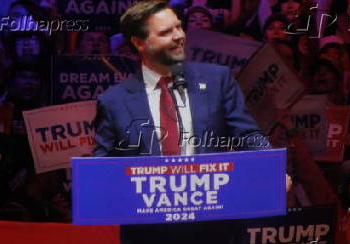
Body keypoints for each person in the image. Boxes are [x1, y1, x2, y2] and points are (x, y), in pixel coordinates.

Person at [94, 0, 270, 158]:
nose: (179, 36)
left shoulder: (217, 81)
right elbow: (101, 170)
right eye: (166, 32)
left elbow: (248, 135)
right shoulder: (113, 102)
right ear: (139, 43)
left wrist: (273, 167)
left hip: (209, 191)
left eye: (178, 27)